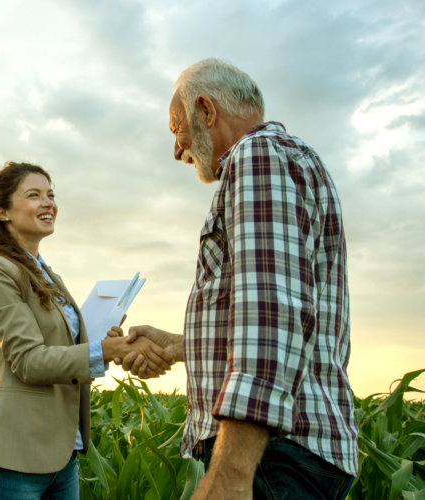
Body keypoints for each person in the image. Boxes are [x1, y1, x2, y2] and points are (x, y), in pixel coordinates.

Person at [111, 59, 359, 500]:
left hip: (273, 457)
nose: (176, 149)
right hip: (284, 455)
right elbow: (290, 313)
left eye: (176, 127)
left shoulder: (256, 156)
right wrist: (178, 345)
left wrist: (230, 472)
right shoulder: (287, 158)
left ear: (206, 111)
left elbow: (271, 314)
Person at [0, 161, 170, 499]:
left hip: (62, 458)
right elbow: (29, 362)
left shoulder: (51, 278)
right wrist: (105, 352)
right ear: (1, 210)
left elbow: (66, 355)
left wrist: (106, 342)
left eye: (51, 194)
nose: (48, 203)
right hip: (13, 457)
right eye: (34, 195)